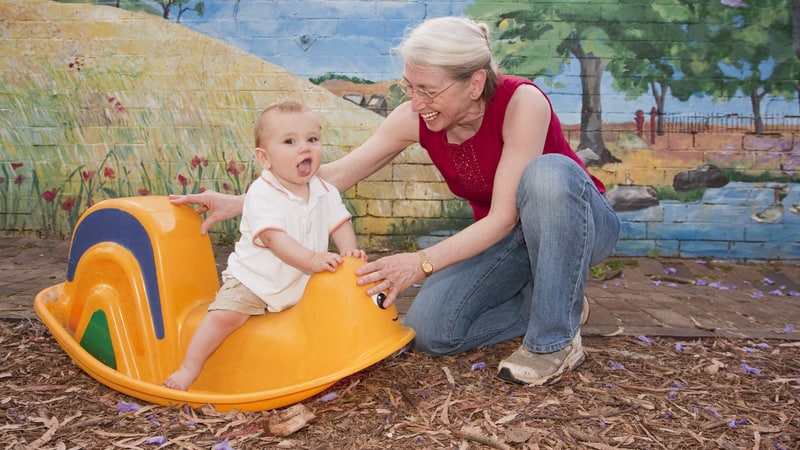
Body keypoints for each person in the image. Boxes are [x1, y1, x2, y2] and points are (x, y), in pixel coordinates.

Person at [170, 16, 620, 386]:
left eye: (427, 89)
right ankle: (559, 303)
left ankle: (553, 342)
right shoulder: (414, 117)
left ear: (474, 82)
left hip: (575, 225)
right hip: (505, 242)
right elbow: (334, 176)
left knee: (548, 174)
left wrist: (418, 263)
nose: (415, 101)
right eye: (409, 87)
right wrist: (246, 201)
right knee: (429, 331)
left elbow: (504, 215)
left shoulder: (523, 102)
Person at [164, 101, 367, 390]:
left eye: (312, 139)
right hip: (255, 281)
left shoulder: (324, 190)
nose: (304, 148)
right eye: (289, 141)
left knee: (328, 308)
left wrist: (348, 252)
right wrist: (312, 259)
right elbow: (274, 239)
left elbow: (339, 223)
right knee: (224, 316)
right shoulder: (263, 193)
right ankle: (188, 369)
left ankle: (325, 362)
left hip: (301, 280)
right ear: (265, 158)